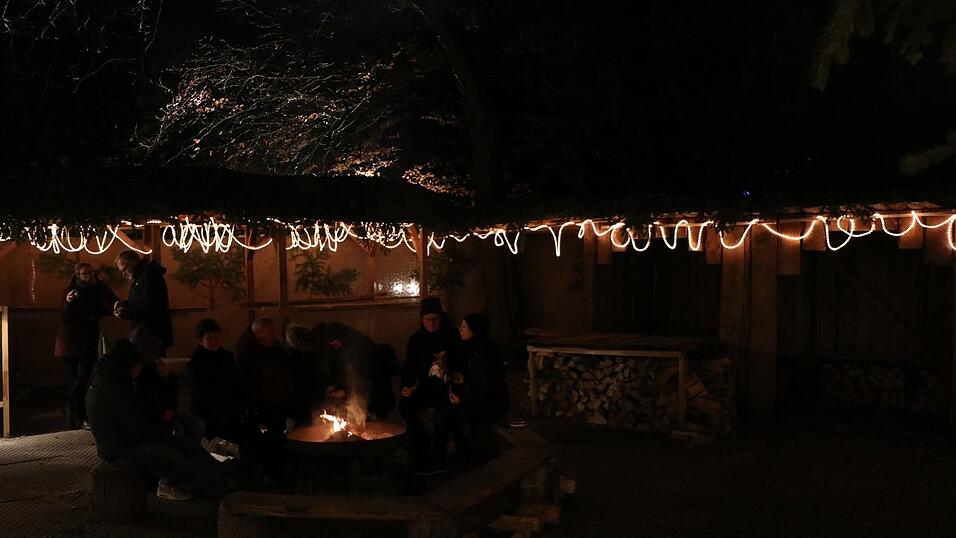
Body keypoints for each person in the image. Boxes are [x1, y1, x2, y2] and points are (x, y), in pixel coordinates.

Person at [85, 339, 239, 500]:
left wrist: (160, 415)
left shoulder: (119, 379)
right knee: (171, 456)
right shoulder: (112, 389)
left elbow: (143, 411)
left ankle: (224, 474)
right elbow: (138, 428)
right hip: (120, 449)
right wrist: (165, 432)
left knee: (186, 444)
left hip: (135, 436)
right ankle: (215, 485)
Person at [434, 313, 510, 465]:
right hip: (484, 401)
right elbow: (479, 381)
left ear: (474, 330)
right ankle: (460, 452)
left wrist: (462, 400)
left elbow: (487, 389)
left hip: (492, 406)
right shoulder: (476, 349)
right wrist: (463, 379)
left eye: (464, 327)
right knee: (446, 410)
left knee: (446, 413)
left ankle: (438, 459)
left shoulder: (485, 355)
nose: (460, 330)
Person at [398, 297, 461, 473]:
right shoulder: (416, 339)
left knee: (443, 413)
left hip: (447, 388)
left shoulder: (452, 336)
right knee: (405, 405)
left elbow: (460, 365)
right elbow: (409, 368)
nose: (432, 324)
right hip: (426, 388)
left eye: (436, 319)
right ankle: (423, 442)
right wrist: (406, 386)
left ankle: (438, 456)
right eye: (428, 319)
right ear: (422, 319)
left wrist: (447, 367)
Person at [54, 262, 118, 429]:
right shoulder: (72, 291)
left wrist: (115, 308)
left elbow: (111, 302)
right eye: (85, 274)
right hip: (71, 341)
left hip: (87, 340)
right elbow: (65, 315)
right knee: (77, 380)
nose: (89, 276)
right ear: (78, 275)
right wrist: (69, 302)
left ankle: (73, 412)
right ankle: (77, 414)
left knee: (81, 379)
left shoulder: (98, 288)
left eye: (91, 273)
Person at [235, 317, 293, 480]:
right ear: (260, 333)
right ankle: (264, 471)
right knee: (261, 439)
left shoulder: (276, 349)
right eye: (270, 331)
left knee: (277, 435)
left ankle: (277, 470)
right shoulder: (248, 352)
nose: (274, 334)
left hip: (277, 400)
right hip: (259, 403)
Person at [186, 319, 242, 442]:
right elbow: (200, 393)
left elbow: (236, 382)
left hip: (229, 409)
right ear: (201, 340)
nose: (214, 341)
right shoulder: (195, 364)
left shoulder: (227, 357)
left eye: (216, 337)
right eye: (209, 338)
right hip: (208, 412)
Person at [113, 250, 173, 359]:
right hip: (148, 334)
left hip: (151, 335)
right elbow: (139, 301)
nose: (123, 273)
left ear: (133, 262)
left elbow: (149, 308)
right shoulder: (143, 277)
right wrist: (124, 304)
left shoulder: (148, 277)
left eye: (124, 269)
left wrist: (125, 313)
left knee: (150, 365)